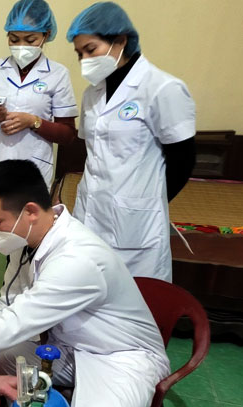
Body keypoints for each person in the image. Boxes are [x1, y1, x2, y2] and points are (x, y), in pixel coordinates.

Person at [0, 160, 170, 407]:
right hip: (68, 346)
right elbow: (5, 305)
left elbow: (16, 322)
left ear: (29, 211)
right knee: (1, 356)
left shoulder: (77, 259)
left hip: (119, 356)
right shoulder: (26, 240)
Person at [0, 0, 78, 310]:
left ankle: (20, 316)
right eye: (14, 38)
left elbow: (67, 134)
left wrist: (33, 121)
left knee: (24, 252)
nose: (21, 46)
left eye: (30, 39)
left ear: (46, 35)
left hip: (28, 178)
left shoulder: (57, 75)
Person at [66, 2, 196, 282]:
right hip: (90, 213)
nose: (84, 60)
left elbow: (183, 160)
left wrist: (144, 203)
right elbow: (92, 153)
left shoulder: (162, 88)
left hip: (136, 225)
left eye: (91, 50)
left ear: (120, 41)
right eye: (79, 54)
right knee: (88, 297)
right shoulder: (92, 94)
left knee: (136, 304)